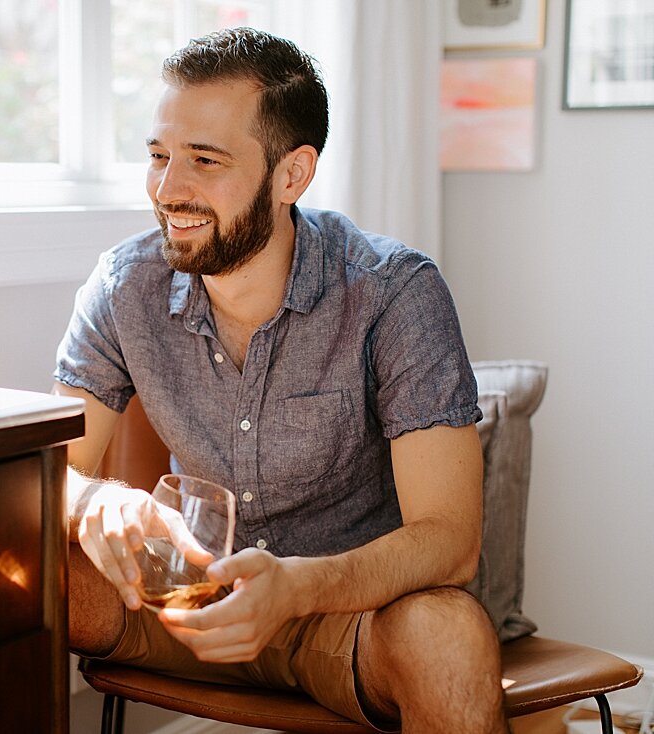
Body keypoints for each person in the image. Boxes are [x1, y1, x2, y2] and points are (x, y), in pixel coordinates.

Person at [55, 28, 504, 733]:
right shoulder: (123, 286)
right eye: (159, 156)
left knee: (448, 633)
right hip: (178, 600)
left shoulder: (393, 292)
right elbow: (52, 472)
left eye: (204, 160)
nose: (169, 189)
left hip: (345, 617)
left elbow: (451, 539)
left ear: (292, 175)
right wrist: (92, 503)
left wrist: (295, 588)